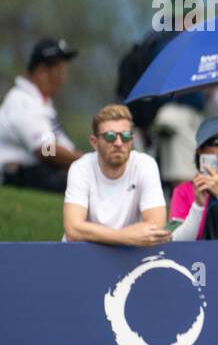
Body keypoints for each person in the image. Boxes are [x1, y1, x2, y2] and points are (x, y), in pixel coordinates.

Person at [62, 105, 170, 247]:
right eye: (110, 136)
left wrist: (91, 233)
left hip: (127, 255)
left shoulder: (146, 165)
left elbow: (156, 226)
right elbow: (73, 230)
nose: (119, 143)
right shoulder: (80, 168)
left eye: (125, 136)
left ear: (132, 140)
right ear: (94, 143)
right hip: (84, 254)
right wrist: (125, 237)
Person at [0, 38, 82, 191]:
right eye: (60, 72)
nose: (63, 79)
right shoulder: (22, 101)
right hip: (22, 175)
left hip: (41, 172)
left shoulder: (40, 102)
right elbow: (45, 150)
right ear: (42, 71)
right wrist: (85, 160)